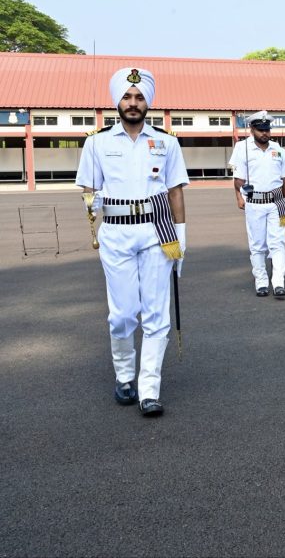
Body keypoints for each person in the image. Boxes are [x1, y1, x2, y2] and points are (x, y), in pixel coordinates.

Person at [77, 67, 188, 416]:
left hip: (157, 232)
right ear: (117, 101)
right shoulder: (96, 142)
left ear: (148, 102)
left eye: (139, 97)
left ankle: (148, 389)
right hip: (116, 231)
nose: (133, 103)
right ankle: (124, 376)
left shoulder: (167, 141)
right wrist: (90, 200)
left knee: (157, 314)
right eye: (127, 96)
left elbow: (175, 192)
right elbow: (89, 188)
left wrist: (180, 240)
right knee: (123, 314)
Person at [230, 110, 285, 299]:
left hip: (277, 202)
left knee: (278, 243)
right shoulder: (242, 148)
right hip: (255, 202)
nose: (265, 133)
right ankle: (261, 282)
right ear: (252, 129)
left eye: (267, 129)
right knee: (257, 245)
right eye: (260, 130)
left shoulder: (279, 150)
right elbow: (238, 178)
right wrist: (240, 195)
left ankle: (279, 283)